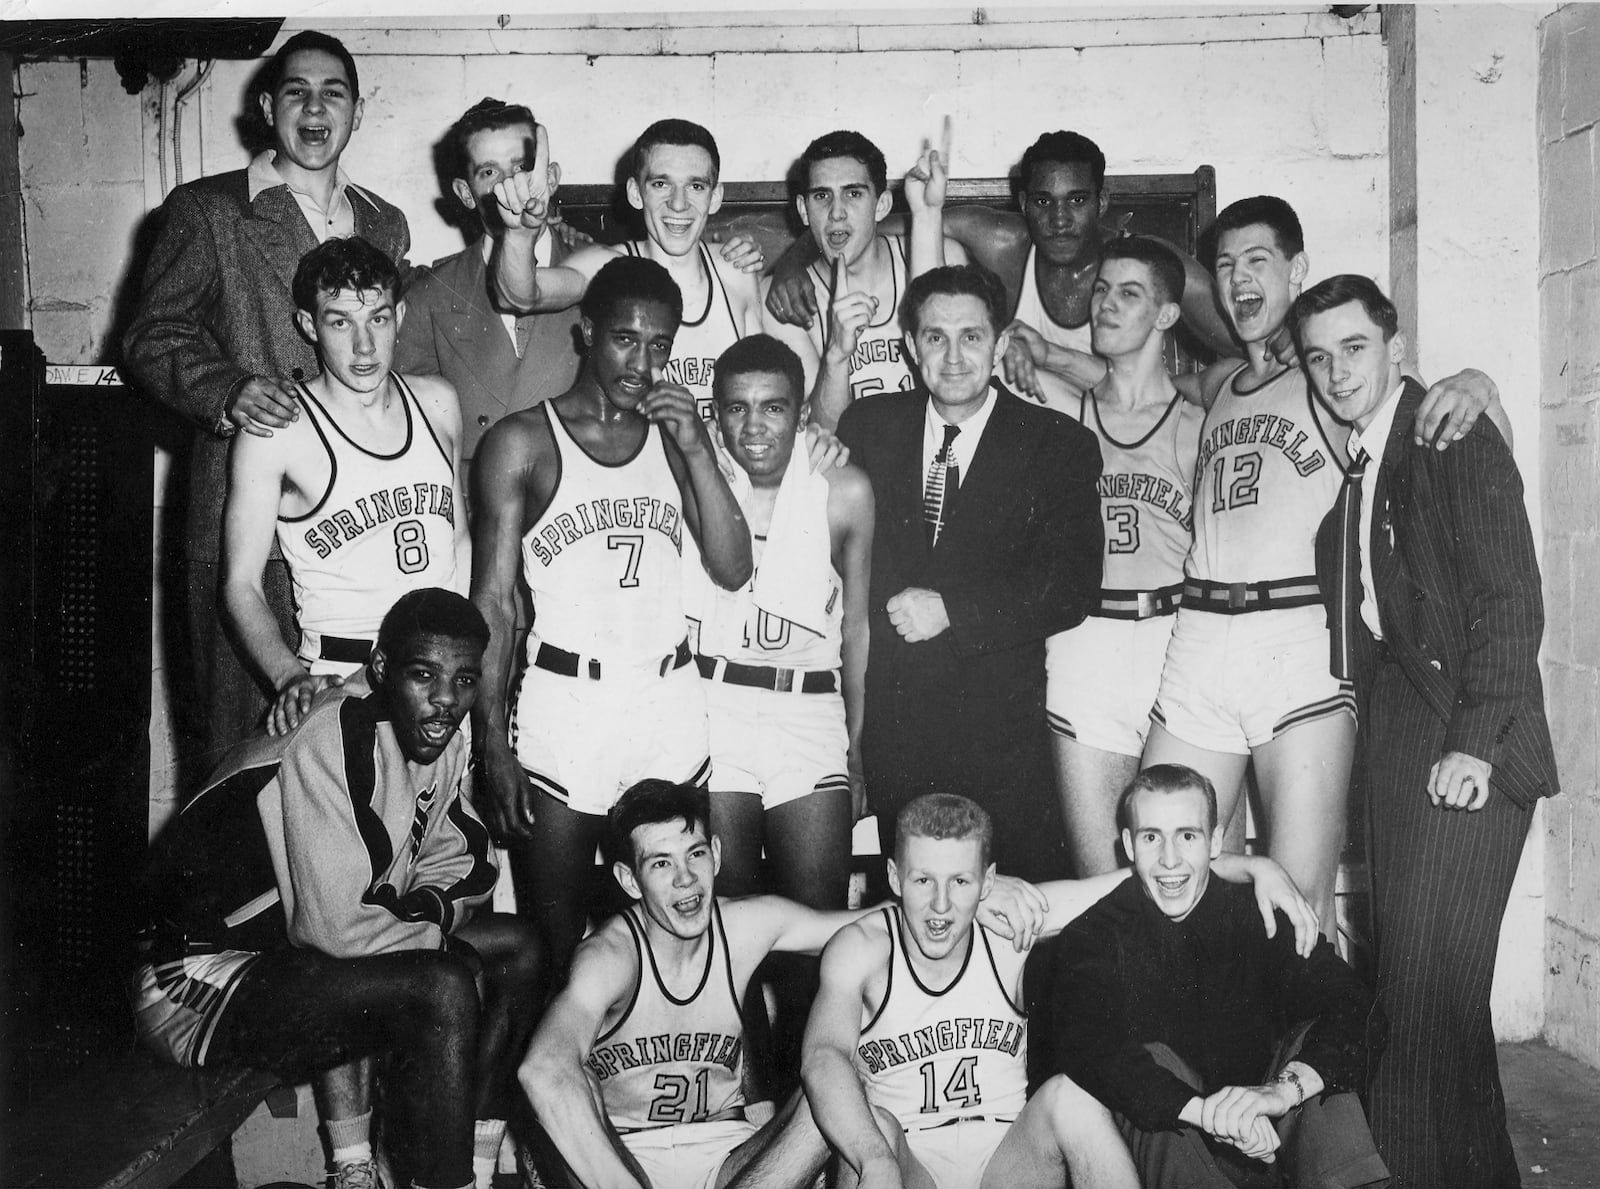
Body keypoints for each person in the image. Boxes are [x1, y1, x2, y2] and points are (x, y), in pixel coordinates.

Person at [1141, 195, 1508, 930]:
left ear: (1296, 271)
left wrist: (1478, 384)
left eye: (1259, 261)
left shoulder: (1328, 378)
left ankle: (1308, 1052)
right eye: (1225, 265)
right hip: (1199, 637)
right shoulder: (1217, 384)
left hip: (1295, 637)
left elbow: (1442, 422)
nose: (1240, 279)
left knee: (1299, 899)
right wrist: (1047, 354)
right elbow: (1129, 381)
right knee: (1164, 865)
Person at [130, 589, 544, 1189]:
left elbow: (470, 865)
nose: (446, 700)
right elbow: (339, 930)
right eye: (423, 675)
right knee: (442, 986)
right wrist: (431, 924)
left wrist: (419, 912)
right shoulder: (333, 734)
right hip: (192, 978)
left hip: (290, 959)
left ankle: (473, 1167)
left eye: (464, 680)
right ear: (381, 669)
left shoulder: (443, 738)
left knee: (521, 947)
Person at [1297, 275, 1558, 1189]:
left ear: (1397, 347)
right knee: (1440, 1004)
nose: (1337, 371)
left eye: (1355, 348)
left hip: (1472, 746)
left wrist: (1474, 744)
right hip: (1408, 740)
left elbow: (1511, 602)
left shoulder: (1450, 430)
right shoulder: (1367, 454)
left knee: (1413, 1003)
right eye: (1320, 356)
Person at [123, 30, 410, 764]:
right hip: (245, 520)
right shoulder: (208, 210)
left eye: (333, 94)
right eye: (296, 92)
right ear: (266, 107)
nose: (315, 109)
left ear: (357, 111)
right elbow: (150, 337)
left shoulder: (384, 221)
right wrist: (230, 387)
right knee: (247, 748)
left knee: (361, 758)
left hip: (359, 528)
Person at [470, 255, 752, 982]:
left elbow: (733, 565)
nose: (643, 360)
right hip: (568, 708)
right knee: (556, 938)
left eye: (661, 344)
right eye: (627, 338)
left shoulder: (673, 433)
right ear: (587, 329)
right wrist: (491, 745)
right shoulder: (521, 441)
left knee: (683, 930)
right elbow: (494, 605)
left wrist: (696, 446)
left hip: (666, 699)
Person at [801, 793, 1318, 1189]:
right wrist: (874, 1160)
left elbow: (1146, 876)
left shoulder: (1012, 929)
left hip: (1007, 1167)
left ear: (988, 881)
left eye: (959, 882)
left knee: (1071, 1096)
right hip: (906, 1168)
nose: (940, 905)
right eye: (922, 882)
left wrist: (1256, 866)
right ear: (893, 876)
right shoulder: (862, 948)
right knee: (872, 1125)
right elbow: (823, 1057)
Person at [835, 263, 1103, 882]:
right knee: (906, 918)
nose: (954, 357)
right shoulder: (869, 428)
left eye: (972, 337)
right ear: (910, 345)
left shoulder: (1057, 444)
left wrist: (954, 609)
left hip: (1001, 737)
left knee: (1007, 916)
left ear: (1001, 342)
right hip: (893, 734)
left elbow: (1072, 587)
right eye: (935, 337)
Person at [1046, 764, 1388, 1189]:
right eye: (1152, 837)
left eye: (1187, 836)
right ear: (1130, 846)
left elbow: (1358, 1004)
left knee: (1317, 1045)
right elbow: (1089, 1049)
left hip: (1268, 1143)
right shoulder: (1093, 935)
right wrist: (1211, 1114)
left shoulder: (1256, 915)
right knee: (1149, 1062)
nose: (1170, 860)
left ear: (1216, 841)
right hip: (1177, 1156)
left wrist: (1281, 1093)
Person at [763, 129, 1233, 406]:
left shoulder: (1153, 264)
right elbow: (860, 227)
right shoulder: (1002, 242)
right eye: (1045, 202)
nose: (1061, 219)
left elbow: (1250, 346)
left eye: (1078, 200)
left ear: (1103, 202)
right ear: (1024, 204)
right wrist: (793, 260)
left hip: (1134, 426)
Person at [223, 236, 469, 738]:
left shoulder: (439, 402)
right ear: (309, 325)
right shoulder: (277, 431)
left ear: (398, 313)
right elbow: (241, 585)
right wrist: (289, 676)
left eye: (377, 318)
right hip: (339, 681)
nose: (364, 346)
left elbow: (459, 542)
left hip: (437, 685)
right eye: (340, 322)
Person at [1036, 237, 1202, 876]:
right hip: (1085, 643)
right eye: (1101, 289)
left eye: (1128, 293)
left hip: (1174, 640)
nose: (1104, 304)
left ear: (1165, 315)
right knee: (1101, 880)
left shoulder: (1203, 422)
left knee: (1191, 873)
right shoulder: (1059, 413)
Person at [689, 334, 873, 907]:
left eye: (774, 407)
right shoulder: (697, 478)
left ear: (801, 415)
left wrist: (858, 745)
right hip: (715, 707)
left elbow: (858, 629)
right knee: (728, 918)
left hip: (808, 713)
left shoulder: (843, 490)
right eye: (737, 408)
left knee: (814, 921)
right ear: (716, 416)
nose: (754, 427)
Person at [490, 118, 766, 420]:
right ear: (636, 193)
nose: (678, 203)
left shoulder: (735, 269)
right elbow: (520, 296)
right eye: (661, 184)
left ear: (714, 198)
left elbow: (764, 388)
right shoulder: (608, 266)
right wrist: (518, 233)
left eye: (695, 186)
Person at [395, 98, 585, 471]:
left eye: (521, 167)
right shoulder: (429, 298)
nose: (509, 186)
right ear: (465, 194)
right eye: (489, 173)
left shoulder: (600, 277)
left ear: (550, 177)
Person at [759, 130, 967, 427]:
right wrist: (836, 355)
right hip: (855, 462)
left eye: (853, 193)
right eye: (822, 196)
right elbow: (823, 434)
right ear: (804, 211)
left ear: (881, 205)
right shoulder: (783, 299)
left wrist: (928, 215)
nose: (837, 213)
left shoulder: (943, 255)